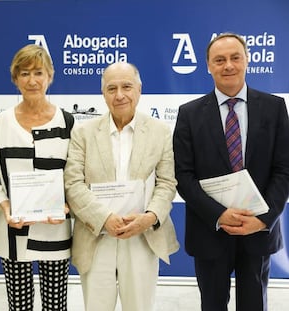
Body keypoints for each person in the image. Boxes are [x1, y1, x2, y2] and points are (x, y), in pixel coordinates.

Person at [173, 32, 289, 311]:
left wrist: (263, 219)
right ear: (208, 66)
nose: (228, 65)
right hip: (209, 231)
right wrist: (219, 214)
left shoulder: (274, 108)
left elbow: (284, 170)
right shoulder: (189, 113)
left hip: (257, 231)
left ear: (247, 60)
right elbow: (183, 177)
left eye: (235, 58)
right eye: (219, 60)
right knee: (212, 305)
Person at [64, 61, 179, 311]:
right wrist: (104, 218)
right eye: (111, 88)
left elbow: (167, 183)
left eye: (127, 86)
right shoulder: (83, 133)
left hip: (143, 235)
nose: (119, 95)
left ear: (139, 89)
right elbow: (73, 184)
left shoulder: (160, 131)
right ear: (103, 94)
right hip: (96, 235)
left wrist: (149, 217)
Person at [0, 44, 74, 311]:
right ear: (15, 78)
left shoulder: (67, 123)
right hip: (12, 228)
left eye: (38, 72)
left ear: (50, 76)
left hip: (55, 228)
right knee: (18, 305)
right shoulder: (0, 123)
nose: (32, 80)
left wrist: (68, 205)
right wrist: (6, 209)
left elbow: (76, 174)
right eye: (24, 73)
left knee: (56, 305)